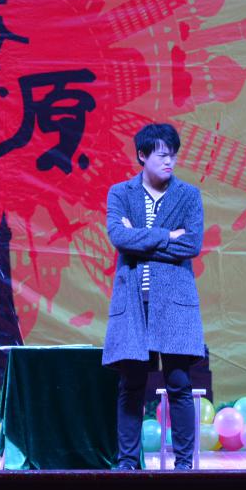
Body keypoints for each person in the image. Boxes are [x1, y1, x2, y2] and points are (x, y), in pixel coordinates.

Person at [102, 123, 205, 471]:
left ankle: (184, 463)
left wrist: (141, 238)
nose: (169, 161)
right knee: (132, 383)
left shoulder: (188, 195)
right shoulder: (121, 193)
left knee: (178, 382)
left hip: (174, 302)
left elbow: (191, 244)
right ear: (142, 156)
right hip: (134, 301)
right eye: (162, 155)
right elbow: (119, 237)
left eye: (173, 155)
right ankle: (128, 462)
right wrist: (167, 236)